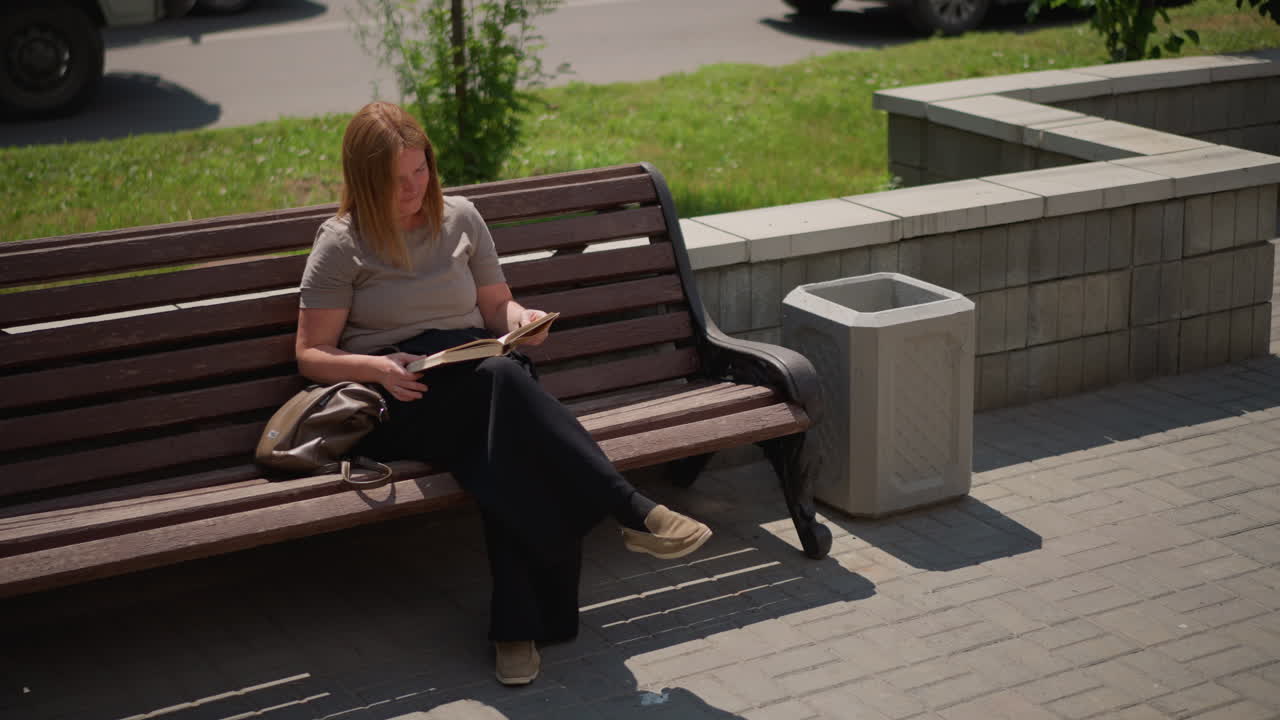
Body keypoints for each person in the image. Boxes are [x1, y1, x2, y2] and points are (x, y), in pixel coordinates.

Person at [295, 102, 712, 686]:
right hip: (406, 395)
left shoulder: (460, 217)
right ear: (365, 178)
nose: (414, 187)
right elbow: (311, 354)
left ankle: (517, 632)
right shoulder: (342, 243)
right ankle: (630, 510)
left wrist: (523, 318)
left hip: (480, 372)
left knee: (500, 440)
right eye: (397, 179)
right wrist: (378, 367)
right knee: (505, 396)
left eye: (421, 171)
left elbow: (496, 304)